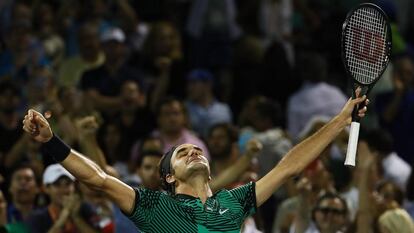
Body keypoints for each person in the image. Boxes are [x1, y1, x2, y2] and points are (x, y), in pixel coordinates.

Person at [21, 91, 368, 232]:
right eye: (181, 153)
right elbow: (97, 178)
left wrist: (340, 121)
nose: (193, 151)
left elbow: (289, 166)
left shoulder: (234, 202)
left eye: (195, 150)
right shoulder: (153, 206)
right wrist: (52, 141)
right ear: (169, 177)